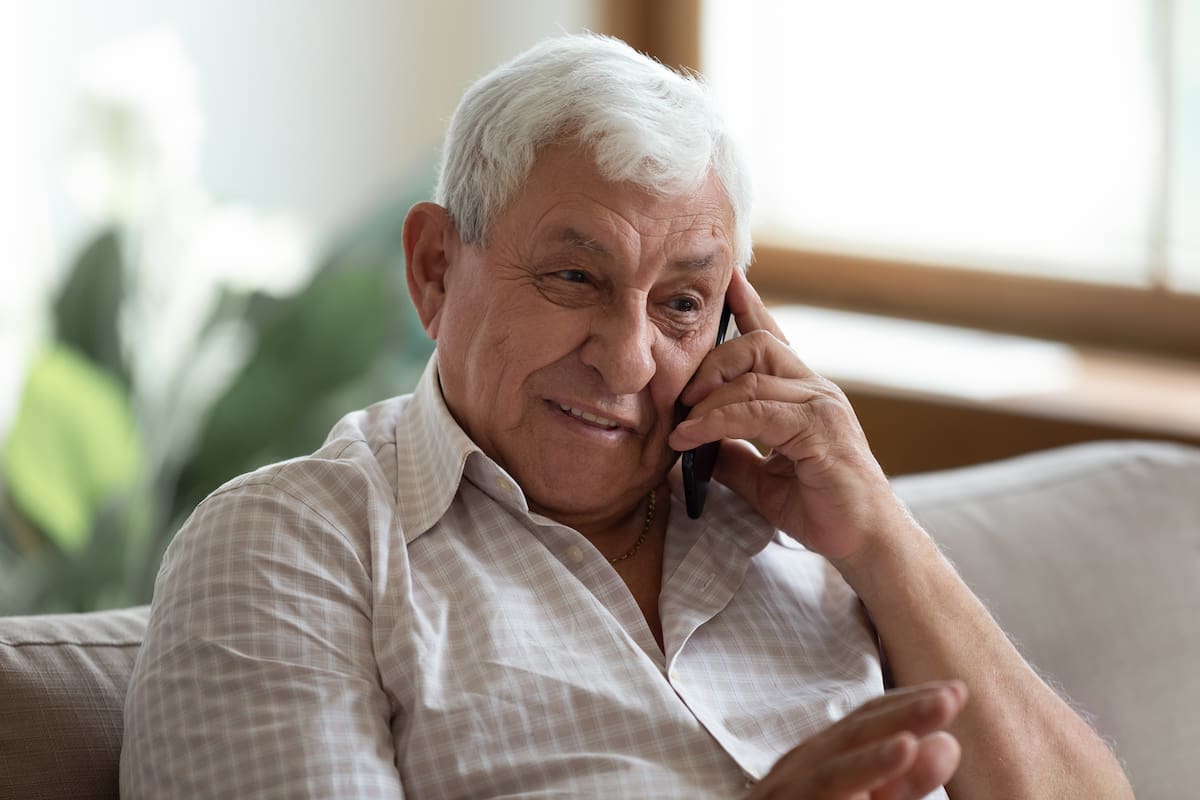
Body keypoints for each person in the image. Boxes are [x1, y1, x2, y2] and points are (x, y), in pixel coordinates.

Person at [121, 34, 1133, 799]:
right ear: (434, 269)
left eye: (683, 302)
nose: (628, 355)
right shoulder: (293, 548)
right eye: (575, 275)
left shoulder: (810, 537)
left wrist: (881, 536)